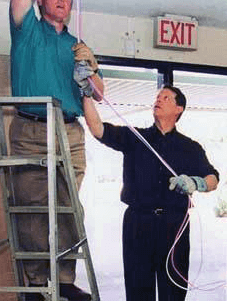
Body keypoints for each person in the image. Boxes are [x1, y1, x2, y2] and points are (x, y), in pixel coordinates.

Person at [9, 0, 103, 300]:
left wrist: (89, 72)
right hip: (30, 128)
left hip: (69, 132)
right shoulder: (27, 30)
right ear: (39, 0)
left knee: (67, 207)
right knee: (33, 207)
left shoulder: (78, 45)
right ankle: (36, 283)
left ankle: (64, 279)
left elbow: (100, 94)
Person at [80, 83, 219, 301]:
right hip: (138, 223)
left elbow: (213, 179)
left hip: (174, 226)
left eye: (166, 97)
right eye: (157, 97)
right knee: (138, 288)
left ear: (179, 109)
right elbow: (98, 129)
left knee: (173, 289)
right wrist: (86, 95)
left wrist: (196, 183)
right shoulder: (136, 137)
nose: (159, 100)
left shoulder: (191, 147)